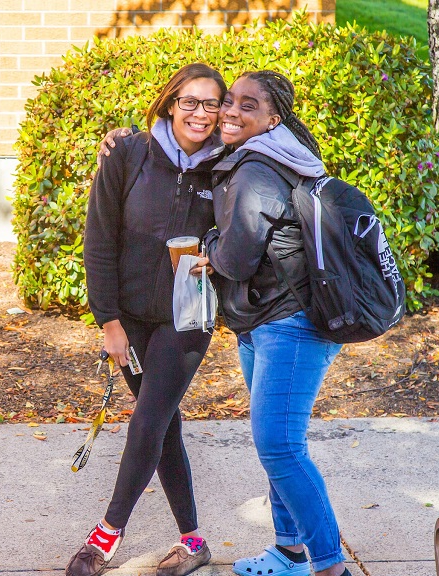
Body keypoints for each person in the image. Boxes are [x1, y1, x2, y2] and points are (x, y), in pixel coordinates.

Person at [67, 62, 227, 576]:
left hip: (188, 320)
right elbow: (99, 242)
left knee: (150, 419)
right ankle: (194, 540)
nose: (200, 114)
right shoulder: (129, 154)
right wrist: (108, 322)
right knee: (165, 426)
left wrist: (217, 257)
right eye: (190, 102)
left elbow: (250, 229)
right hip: (131, 320)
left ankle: (104, 539)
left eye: (212, 104)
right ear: (170, 103)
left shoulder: (230, 166)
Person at [195, 70, 354, 576]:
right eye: (229, 103)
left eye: (248, 105)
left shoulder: (257, 170)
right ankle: (289, 552)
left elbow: (237, 258)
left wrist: (207, 250)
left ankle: (331, 567)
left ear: (272, 119)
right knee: (280, 444)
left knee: (280, 445)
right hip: (265, 320)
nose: (230, 113)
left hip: (291, 322)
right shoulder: (276, 155)